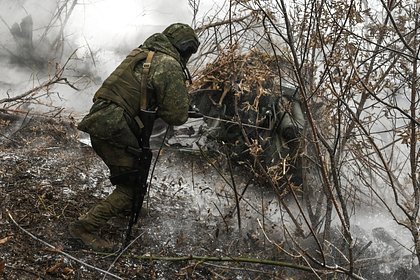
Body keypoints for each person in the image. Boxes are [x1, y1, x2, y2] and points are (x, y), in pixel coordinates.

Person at [69, 23, 200, 251]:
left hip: (104, 121)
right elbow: (177, 115)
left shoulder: (141, 54)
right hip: (115, 128)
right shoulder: (168, 64)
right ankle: (84, 229)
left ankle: (127, 207)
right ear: (184, 48)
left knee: (131, 173)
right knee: (131, 187)